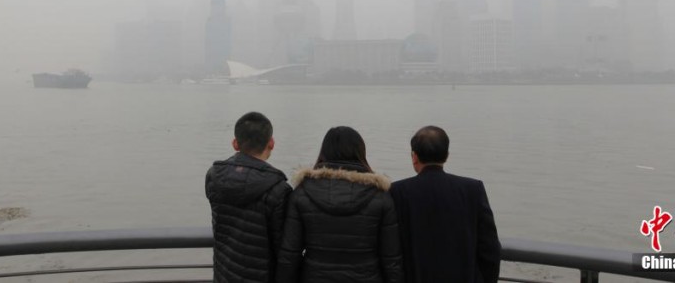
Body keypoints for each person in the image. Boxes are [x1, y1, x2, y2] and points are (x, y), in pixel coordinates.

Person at [276, 126, 403, 283]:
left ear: (324, 152)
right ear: (360, 153)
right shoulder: (380, 196)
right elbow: (391, 259)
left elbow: (290, 254)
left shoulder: (302, 193)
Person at [390, 126, 501, 283]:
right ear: (446, 156)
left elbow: (391, 250)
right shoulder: (473, 190)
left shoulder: (397, 191)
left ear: (414, 156)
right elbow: (490, 250)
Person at [206, 112, 292, 283]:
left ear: (235, 144)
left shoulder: (214, 177)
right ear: (271, 143)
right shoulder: (279, 189)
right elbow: (283, 248)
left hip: (224, 275)